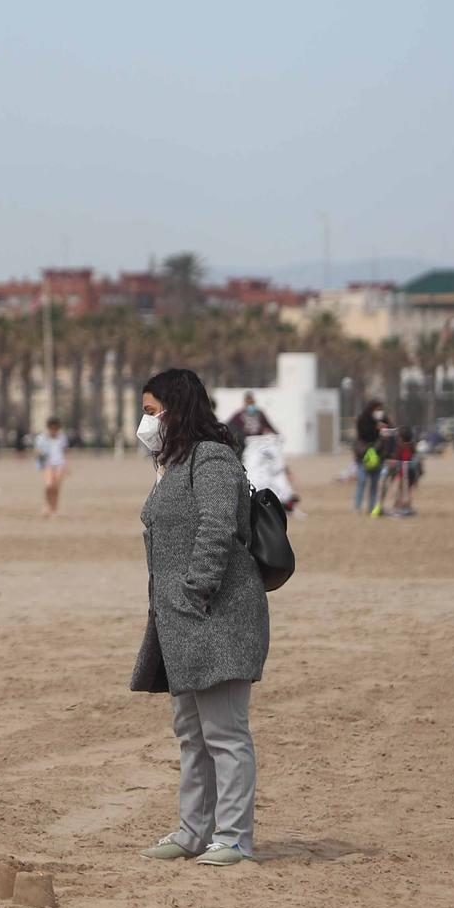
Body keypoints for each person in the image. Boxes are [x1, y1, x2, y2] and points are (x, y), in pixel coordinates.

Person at [130, 368, 270, 867]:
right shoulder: (177, 463)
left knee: (226, 734)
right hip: (182, 623)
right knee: (192, 733)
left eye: (151, 412)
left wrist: (194, 591)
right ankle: (194, 831)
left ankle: (234, 837)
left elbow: (216, 529)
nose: (145, 423)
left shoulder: (211, 459)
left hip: (219, 617)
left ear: (176, 409)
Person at [354, 400, 385, 514]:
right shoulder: (363, 420)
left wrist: (384, 430)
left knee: (374, 483)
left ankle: (372, 507)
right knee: (362, 481)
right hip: (363, 455)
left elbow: (389, 432)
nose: (379, 412)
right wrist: (376, 428)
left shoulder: (384, 420)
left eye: (381, 410)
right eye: (377, 410)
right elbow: (363, 435)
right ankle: (357, 507)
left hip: (378, 456)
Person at [35, 418, 70, 517]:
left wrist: (67, 466)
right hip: (48, 464)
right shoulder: (42, 438)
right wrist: (39, 460)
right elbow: (38, 451)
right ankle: (47, 505)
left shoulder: (62, 438)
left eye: (56, 428)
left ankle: (54, 509)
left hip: (60, 464)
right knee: (49, 485)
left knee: (56, 488)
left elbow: (65, 452)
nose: (54, 430)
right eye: (52, 428)